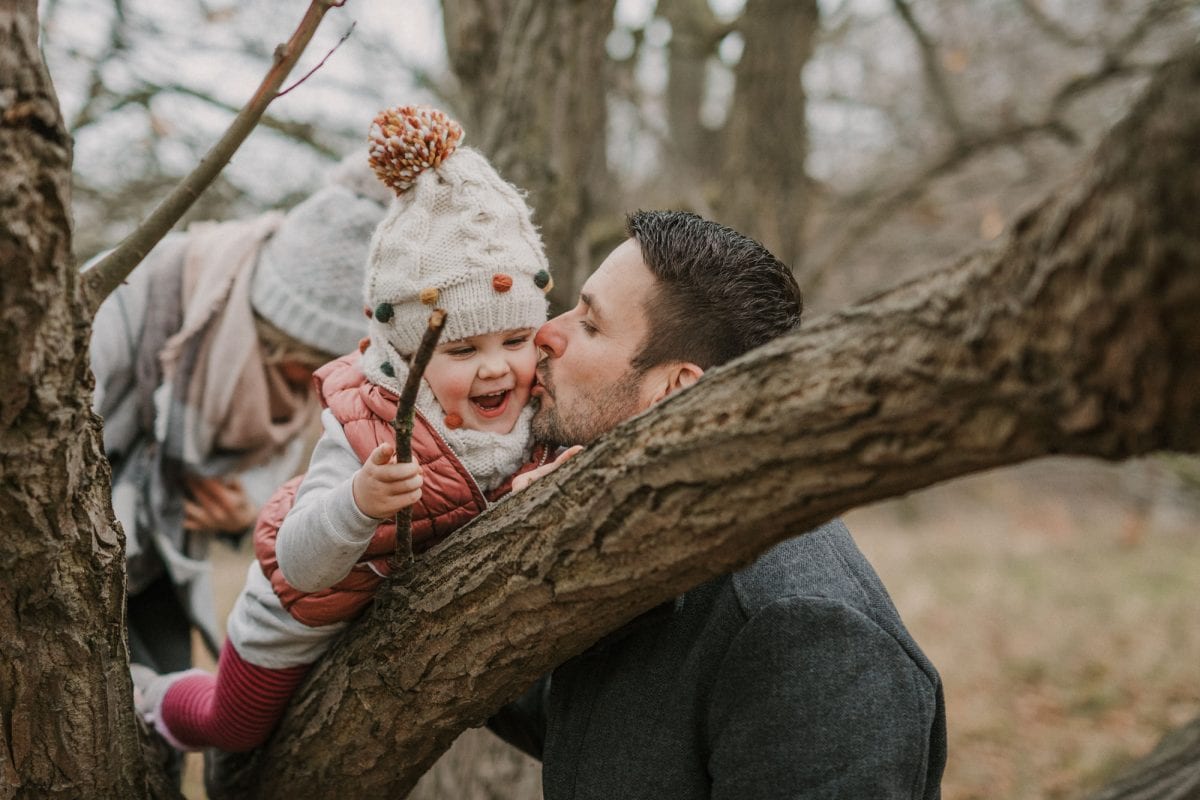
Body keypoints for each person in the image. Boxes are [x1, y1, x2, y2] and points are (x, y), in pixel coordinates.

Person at [130, 104, 558, 755]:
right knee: (234, 728)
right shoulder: (369, 425)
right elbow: (301, 565)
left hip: (396, 622)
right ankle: (149, 697)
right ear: (406, 354)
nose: (497, 368)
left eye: (516, 338)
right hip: (303, 609)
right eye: (463, 351)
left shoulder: (540, 403)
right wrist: (359, 502)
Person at [490, 210, 947, 798]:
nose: (546, 333)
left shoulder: (809, 636)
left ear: (679, 391)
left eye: (591, 324)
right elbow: (584, 731)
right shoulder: (636, 546)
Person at [90, 155, 389, 676]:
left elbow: (273, 488)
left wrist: (243, 516)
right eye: (300, 374)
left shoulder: (280, 378)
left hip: (152, 578)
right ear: (265, 335)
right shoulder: (128, 296)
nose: (309, 396)